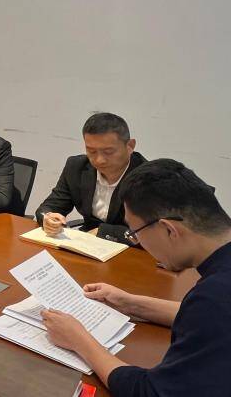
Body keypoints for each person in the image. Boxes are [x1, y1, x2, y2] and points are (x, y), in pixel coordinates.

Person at [41, 159, 231, 397]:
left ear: (169, 230)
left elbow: (151, 391)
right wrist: (129, 302)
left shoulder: (215, 297)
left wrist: (79, 341)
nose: (137, 240)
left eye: (135, 233)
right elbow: (198, 314)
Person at [35, 113, 146, 243]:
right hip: (87, 243)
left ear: (130, 146)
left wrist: (103, 232)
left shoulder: (149, 178)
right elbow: (49, 207)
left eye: (108, 152)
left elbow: (150, 231)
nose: (99, 160)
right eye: (92, 151)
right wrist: (48, 218)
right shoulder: (76, 167)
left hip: (130, 249)